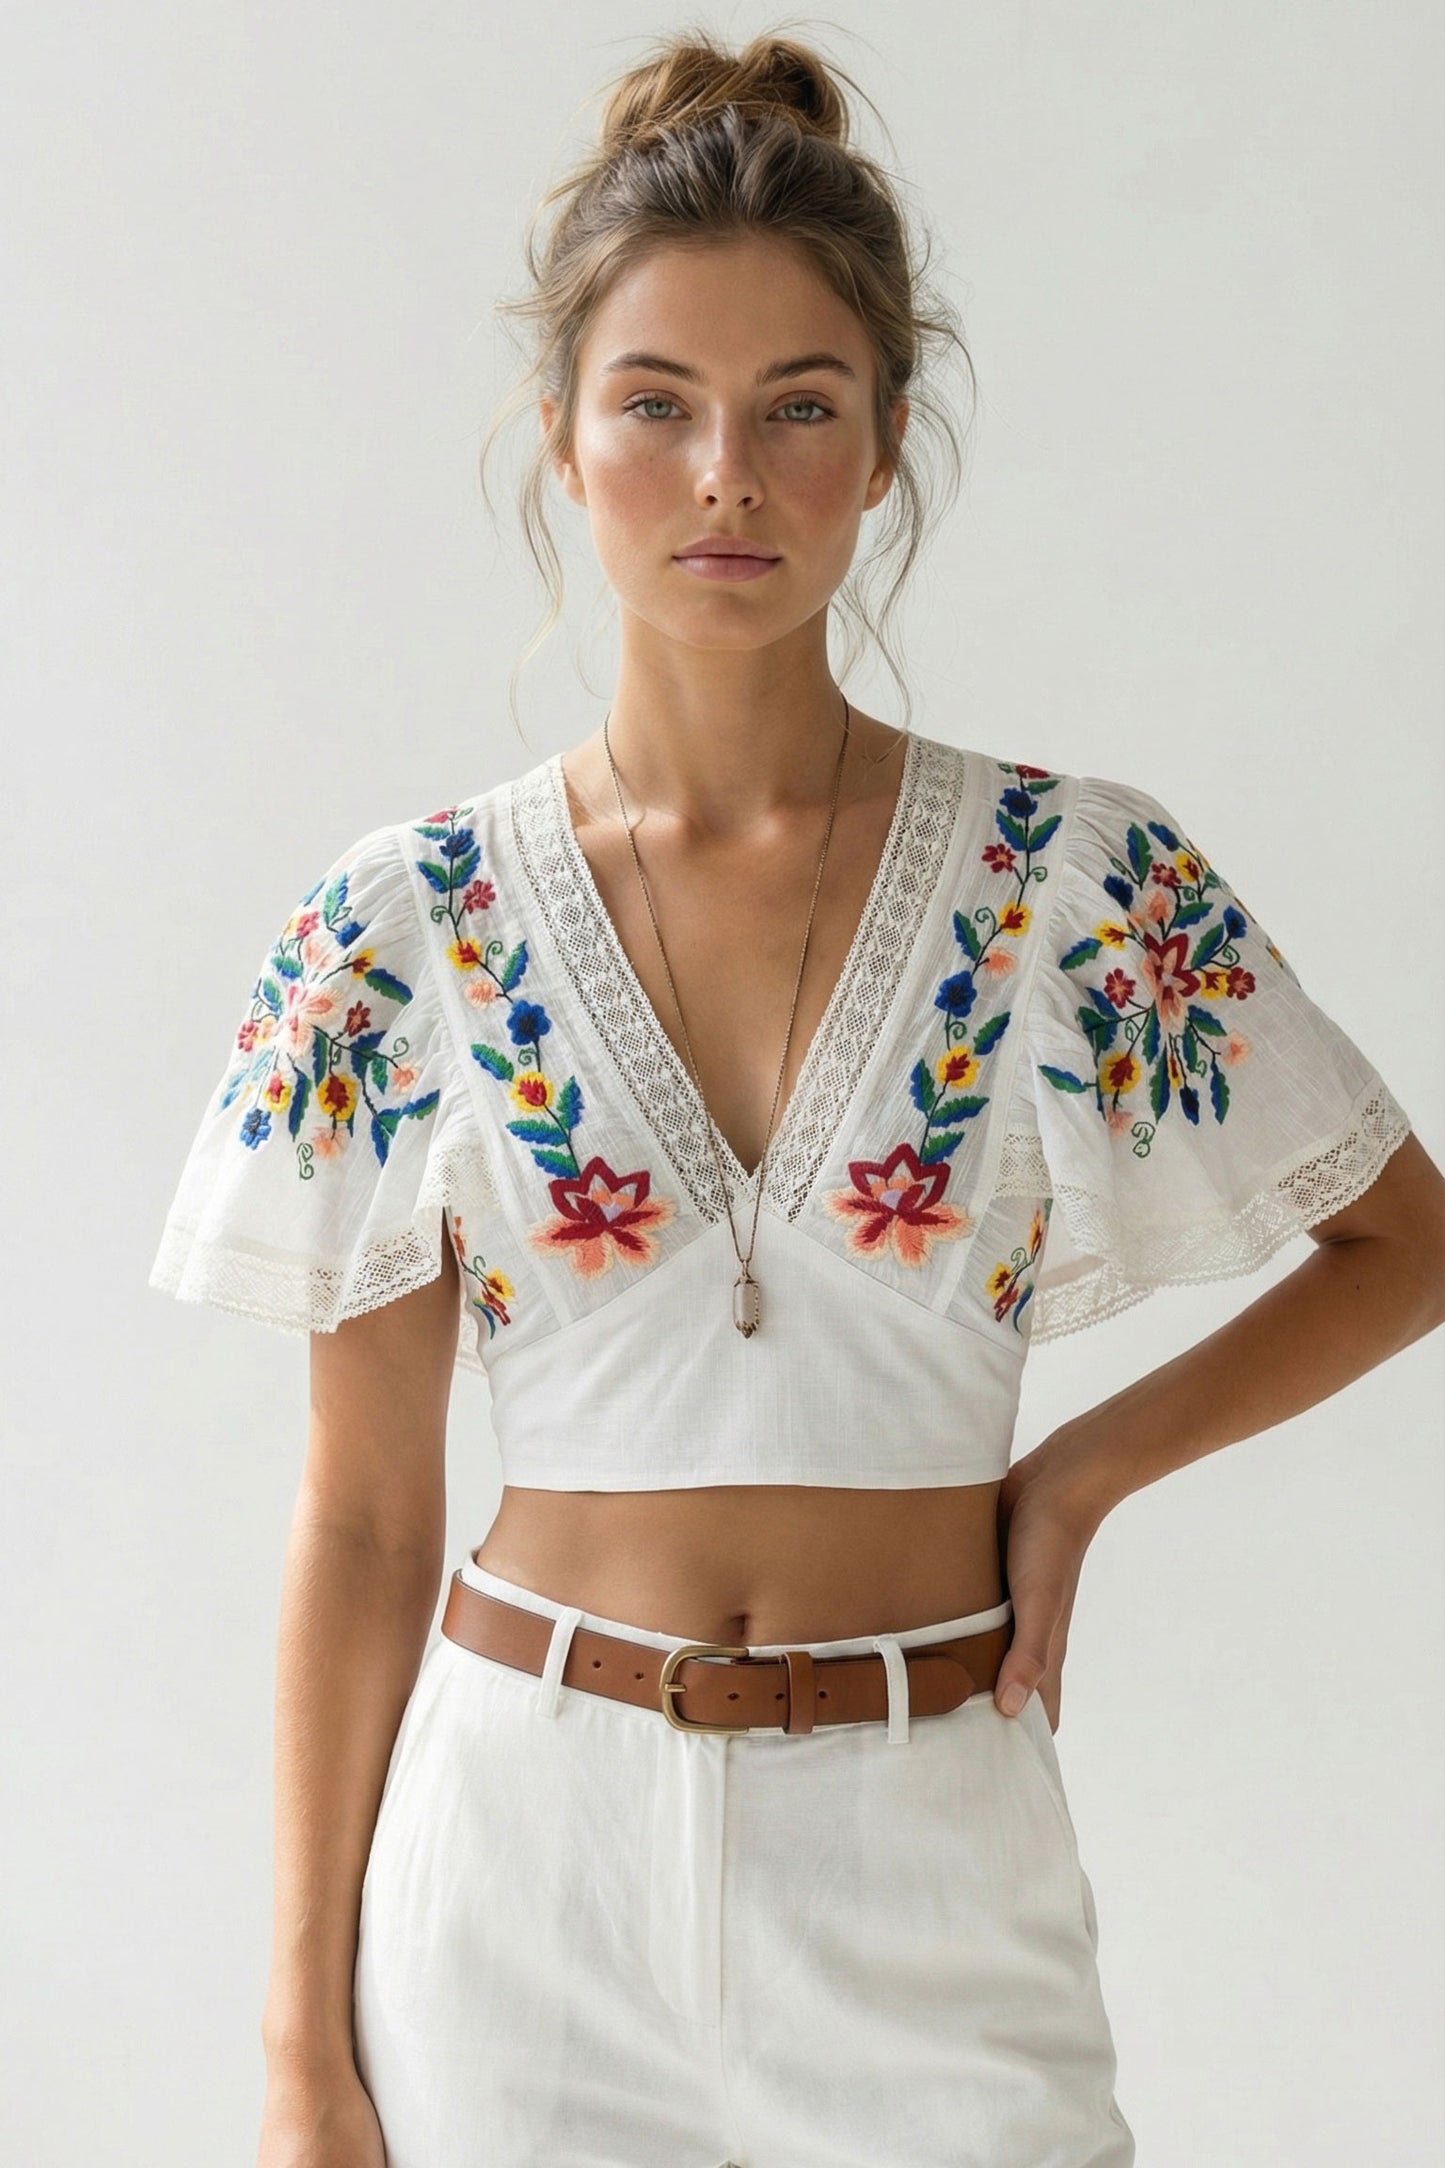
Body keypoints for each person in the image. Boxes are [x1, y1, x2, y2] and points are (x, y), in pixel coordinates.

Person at [148, 29, 1444, 2168]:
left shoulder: (1075, 883)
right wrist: (300, 2051)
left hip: (932, 1851)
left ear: (886, 446)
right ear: (564, 444)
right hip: (516, 1886)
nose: (725, 476)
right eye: (655, 407)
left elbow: (1400, 1236)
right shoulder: (405, 929)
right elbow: (368, 1518)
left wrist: (1079, 1476)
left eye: (798, 411)